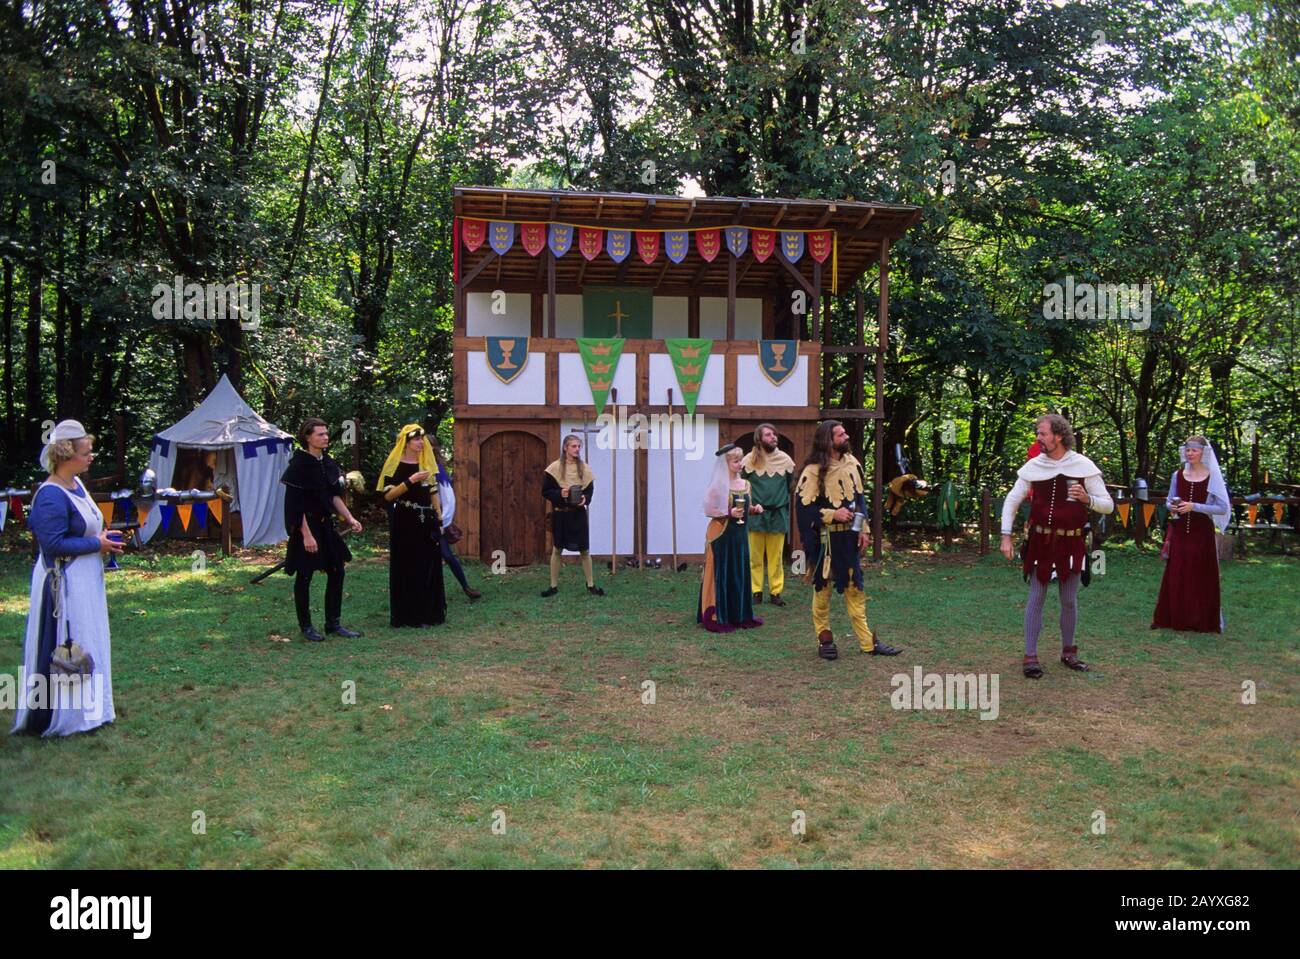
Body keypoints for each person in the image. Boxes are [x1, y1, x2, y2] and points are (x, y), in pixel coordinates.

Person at [11, 420, 119, 737]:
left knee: (90, 639)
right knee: (68, 644)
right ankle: (66, 717)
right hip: (64, 584)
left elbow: (83, 527)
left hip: (86, 581)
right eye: (86, 452)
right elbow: (53, 544)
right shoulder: (50, 495)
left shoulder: (77, 486)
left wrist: (102, 538)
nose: (92, 457)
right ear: (67, 454)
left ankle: (92, 710)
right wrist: (95, 544)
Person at [1000, 414, 1114, 678]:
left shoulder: (1083, 465)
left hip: (1072, 542)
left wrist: (1087, 499)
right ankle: (1030, 656)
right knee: (1036, 597)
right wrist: (1006, 535)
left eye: (1042, 433)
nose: (1038, 438)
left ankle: (1069, 652)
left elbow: (1107, 505)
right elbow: (1012, 500)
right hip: (1040, 541)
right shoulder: (1034, 466)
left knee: (1069, 600)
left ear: (1058, 436)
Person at [795, 420, 901, 661]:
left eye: (844, 433)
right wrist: (833, 514)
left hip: (849, 537)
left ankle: (867, 643)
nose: (846, 436)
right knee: (823, 590)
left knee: (855, 589)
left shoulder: (853, 463)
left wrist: (862, 529)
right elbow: (803, 510)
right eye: (840, 434)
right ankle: (825, 640)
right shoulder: (813, 470)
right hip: (826, 541)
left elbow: (859, 500)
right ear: (828, 440)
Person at [281, 418, 363, 642]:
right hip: (305, 525)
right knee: (304, 576)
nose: (325, 437)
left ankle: (333, 624)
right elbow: (295, 505)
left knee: (338, 570)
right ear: (307, 437)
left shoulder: (327, 462)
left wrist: (349, 517)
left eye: (326, 433)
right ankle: (306, 626)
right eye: (320, 434)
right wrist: (306, 534)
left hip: (326, 526)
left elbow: (333, 495)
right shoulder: (299, 466)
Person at [1151, 435, 1230, 633]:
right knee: (1177, 573)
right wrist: (1175, 506)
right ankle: (1174, 618)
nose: (1190, 453)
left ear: (1203, 453)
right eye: (1188, 450)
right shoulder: (1177, 475)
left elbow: (1221, 508)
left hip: (1201, 533)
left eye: (1194, 450)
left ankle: (1200, 620)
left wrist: (1194, 506)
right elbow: (1168, 501)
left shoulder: (1212, 477)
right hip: (1180, 532)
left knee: (1200, 575)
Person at [378, 424, 447, 628]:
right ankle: (410, 615)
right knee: (409, 564)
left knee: (429, 565)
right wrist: (410, 481)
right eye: (416, 439)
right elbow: (387, 496)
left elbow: (433, 491)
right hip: (404, 520)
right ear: (406, 442)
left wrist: (440, 517)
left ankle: (430, 613)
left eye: (421, 439)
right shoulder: (395, 465)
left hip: (426, 519)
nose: (420, 442)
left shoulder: (426, 462)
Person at [698, 444, 764, 632]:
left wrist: (754, 510)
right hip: (721, 535)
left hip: (739, 538)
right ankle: (719, 614)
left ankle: (739, 614)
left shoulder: (745, 484)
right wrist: (728, 513)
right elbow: (708, 510)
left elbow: (745, 509)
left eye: (740, 460)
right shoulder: (718, 487)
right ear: (725, 464)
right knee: (723, 573)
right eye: (736, 461)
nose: (740, 464)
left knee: (738, 573)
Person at [540, 434, 604, 597]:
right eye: (573, 446)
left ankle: (590, 585)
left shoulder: (584, 468)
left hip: (578, 515)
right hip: (561, 515)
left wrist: (585, 499)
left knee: (584, 551)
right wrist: (559, 493)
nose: (577, 449)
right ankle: (553, 586)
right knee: (557, 550)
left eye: (578, 446)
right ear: (565, 448)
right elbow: (546, 491)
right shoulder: (554, 469)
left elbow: (589, 490)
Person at [741, 423, 795, 607]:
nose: (773, 437)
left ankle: (776, 592)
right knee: (754, 556)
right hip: (756, 513)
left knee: (776, 556)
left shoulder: (785, 460)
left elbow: (788, 485)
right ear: (759, 438)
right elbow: (742, 485)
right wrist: (751, 506)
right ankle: (756, 591)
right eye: (768, 435)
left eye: (774, 434)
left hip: (778, 513)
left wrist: (778, 501)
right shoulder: (749, 460)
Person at [431, 436, 480, 601]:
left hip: (435, 521)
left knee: (447, 555)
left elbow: (448, 499)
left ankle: (465, 586)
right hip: (423, 520)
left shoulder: (436, 469)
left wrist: (442, 522)